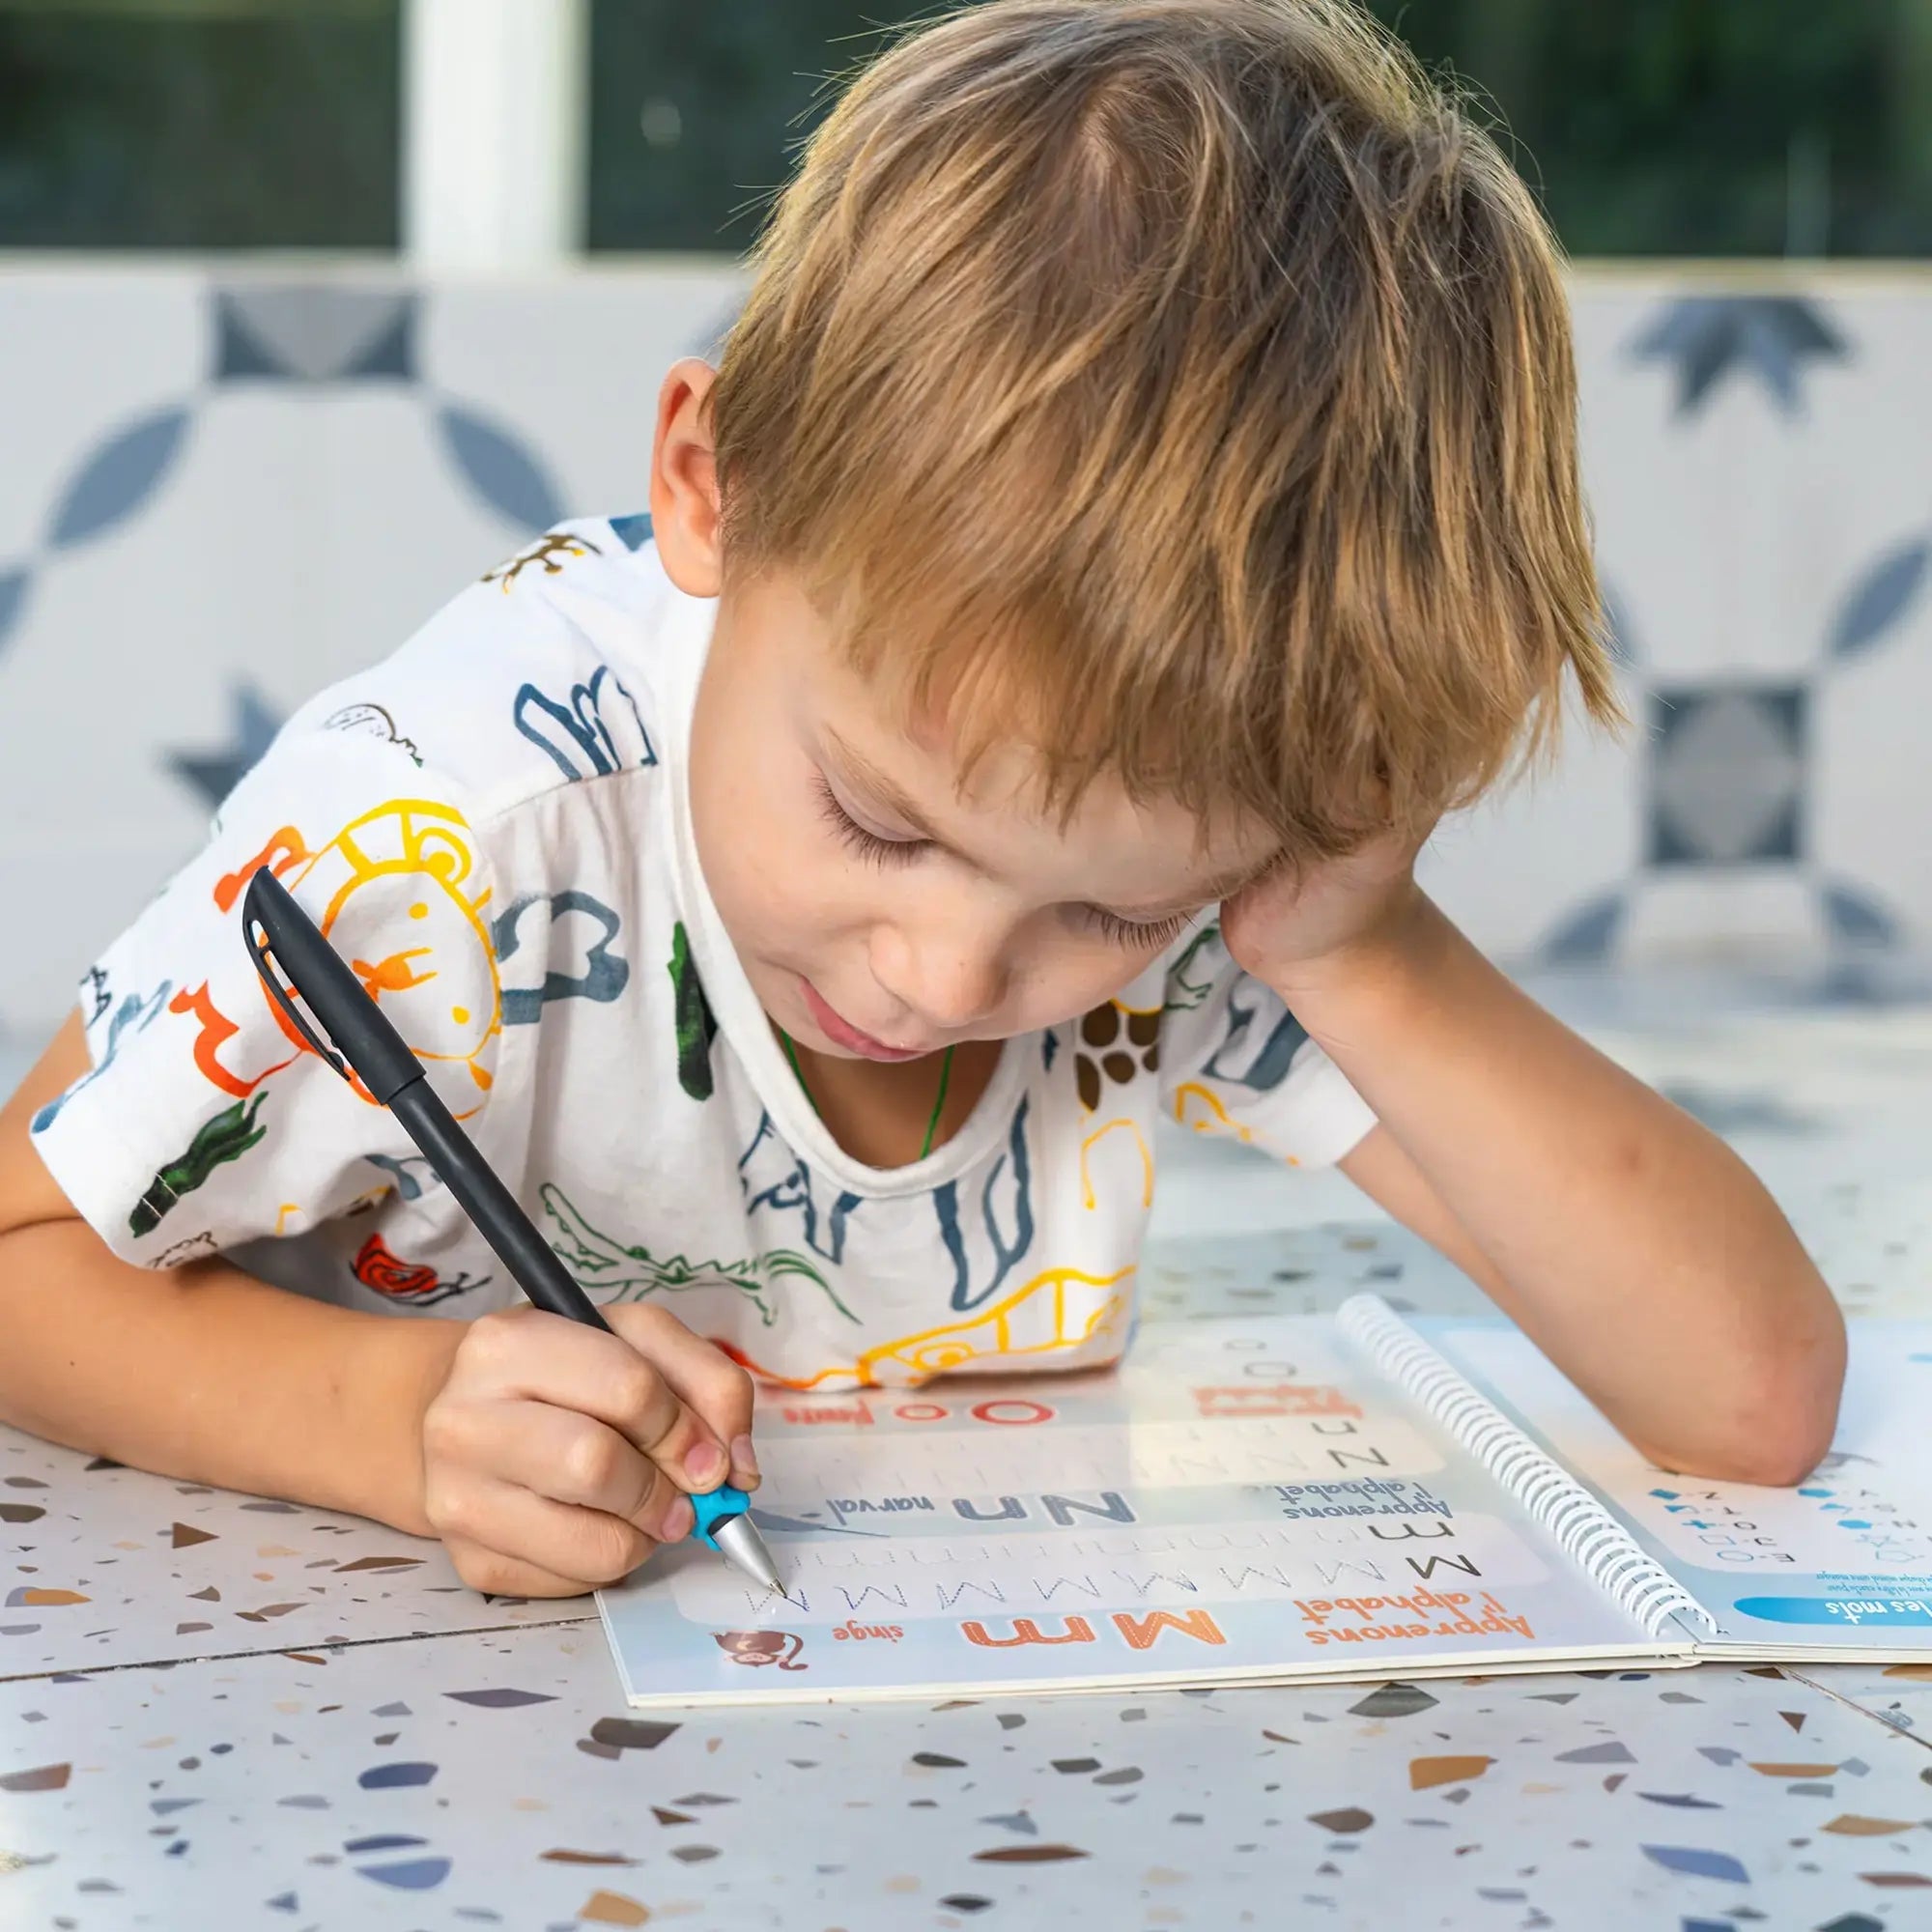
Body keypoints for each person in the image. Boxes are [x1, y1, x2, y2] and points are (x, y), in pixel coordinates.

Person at [0, 0, 1844, 1602]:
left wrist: (1359, 950)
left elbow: (1746, 1401)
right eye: (879, 825)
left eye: (1108, 917)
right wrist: (396, 1427)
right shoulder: (446, 838)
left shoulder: (1227, 865)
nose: (950, 977)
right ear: (712, 486)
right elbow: (19, 1259)